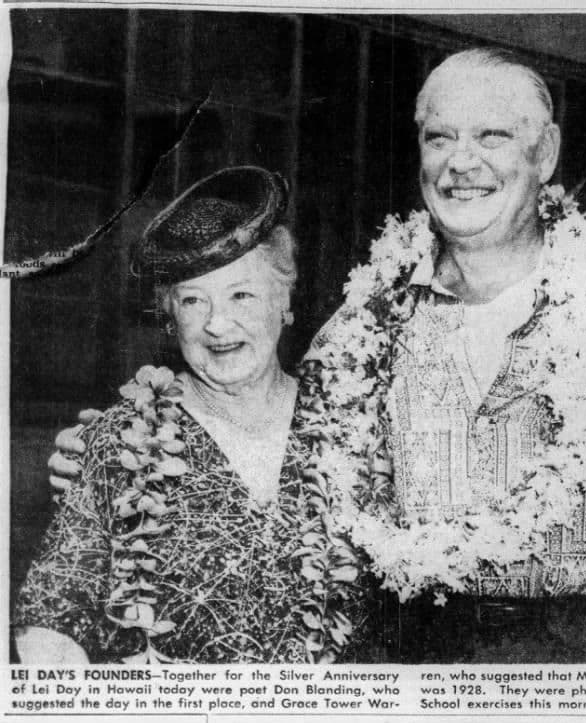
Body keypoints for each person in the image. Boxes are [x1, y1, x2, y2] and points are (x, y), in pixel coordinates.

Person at [47, 49, 586, 664]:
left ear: (544, 153)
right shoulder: (370, 316)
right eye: (439, 137)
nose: (460, 163)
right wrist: (130, 446)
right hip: (414, 644)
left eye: (492, 137)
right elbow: (282, 425)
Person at [15, 166, 361, 664]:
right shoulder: (122, 440)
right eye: (194, 300)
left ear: (284, 299)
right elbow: (53, 616)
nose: (217, 324)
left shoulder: (351, 424)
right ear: (170, 316)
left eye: (242, 294)